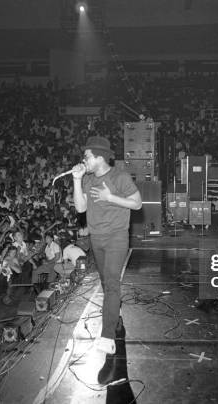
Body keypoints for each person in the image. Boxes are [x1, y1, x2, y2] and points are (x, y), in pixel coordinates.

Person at [72, 136, 141, 382]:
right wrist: (76, 180)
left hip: (116, 238)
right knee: (105, 283)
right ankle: (116, 317)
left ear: (99, 156)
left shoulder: (119, 176)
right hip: (97, 240)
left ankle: (108, 339)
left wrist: (111, 198)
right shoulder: (88, 178)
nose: (84, 160)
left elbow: (137, 203)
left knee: (112, 284)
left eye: (87, 156)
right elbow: (80, 208)